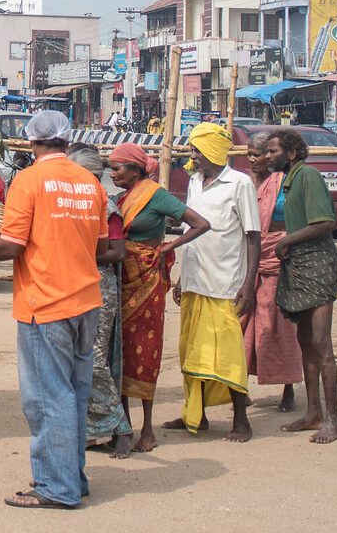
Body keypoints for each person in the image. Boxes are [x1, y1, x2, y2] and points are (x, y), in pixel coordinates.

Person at [0, 111, 114, 510]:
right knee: (75, 393)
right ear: (67, 140)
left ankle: (56, 487)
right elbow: (100, 251)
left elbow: (11, 245)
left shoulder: (29, 181)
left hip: (44, 303)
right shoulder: (90, 183)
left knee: (48, 398)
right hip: (86, 302)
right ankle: (73, 476)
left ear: (32, 142)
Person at [106, 141, 211, 453]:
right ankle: (123, 426)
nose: (113, 174)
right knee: (119, 351)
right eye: (111, 168)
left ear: (136, 170)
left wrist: (167, 247)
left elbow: (201, 224)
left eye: (118, 168)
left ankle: (148, 429)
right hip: (121, 278)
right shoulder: (121, 198)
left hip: (148, 281)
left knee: (146, 351)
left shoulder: (156, 195)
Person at [162, 122, 260, 442]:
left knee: (228, 354)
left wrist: (248, 284)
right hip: (194, 280)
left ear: (213, 152)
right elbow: (193, 234)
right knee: (192, 350)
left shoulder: (240, 184)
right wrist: (180, 278)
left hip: (224, 282)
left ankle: (242, 420)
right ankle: (196, 414)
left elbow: (252, 236)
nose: (193, 157)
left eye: (197, 151)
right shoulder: (194, 182)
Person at [267, 129, 337, 443]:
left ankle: (333, 420)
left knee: (321, 345)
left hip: (317, 263)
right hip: (298, 263)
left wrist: (287, 239)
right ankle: (314, 413)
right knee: (306, 344)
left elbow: (324, 222)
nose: (270, 155)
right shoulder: (290, 179)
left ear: (292, 152)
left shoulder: (308, 177)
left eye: (274, 150)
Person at [67, 143, 133, 457]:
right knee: (78, 359)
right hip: (74, 283)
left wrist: (81, 251)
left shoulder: (106, 206)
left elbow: (118, 252)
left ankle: (122, 429)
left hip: (99, 286)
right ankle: (94, 432)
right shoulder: (76, 202)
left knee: (94, 359)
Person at [241, 131, 303, 412]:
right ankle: (238, 388)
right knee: (241, 324)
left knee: (279, 324)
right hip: (246, 259)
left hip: (278, 259)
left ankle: (287, 387)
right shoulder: (243, 182)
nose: (256, 160)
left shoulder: (286, 183)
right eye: (251, 155)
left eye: (262, 154)